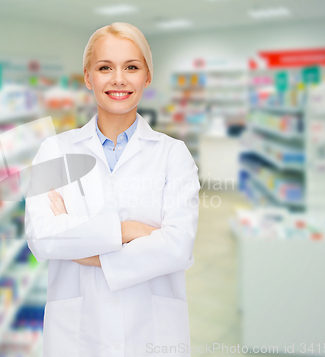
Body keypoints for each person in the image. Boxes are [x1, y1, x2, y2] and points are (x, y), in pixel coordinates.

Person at [25, 22, 200, 357]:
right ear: (88, 77)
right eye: (105, 67)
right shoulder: (55, 151)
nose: (118, 79)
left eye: (131, 67)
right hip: (77, 335)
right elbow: (43, 238)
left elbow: (177, 247)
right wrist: (128, 231)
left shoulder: (172, 154)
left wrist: (81, 250)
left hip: (152, 332)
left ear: (147, 76)